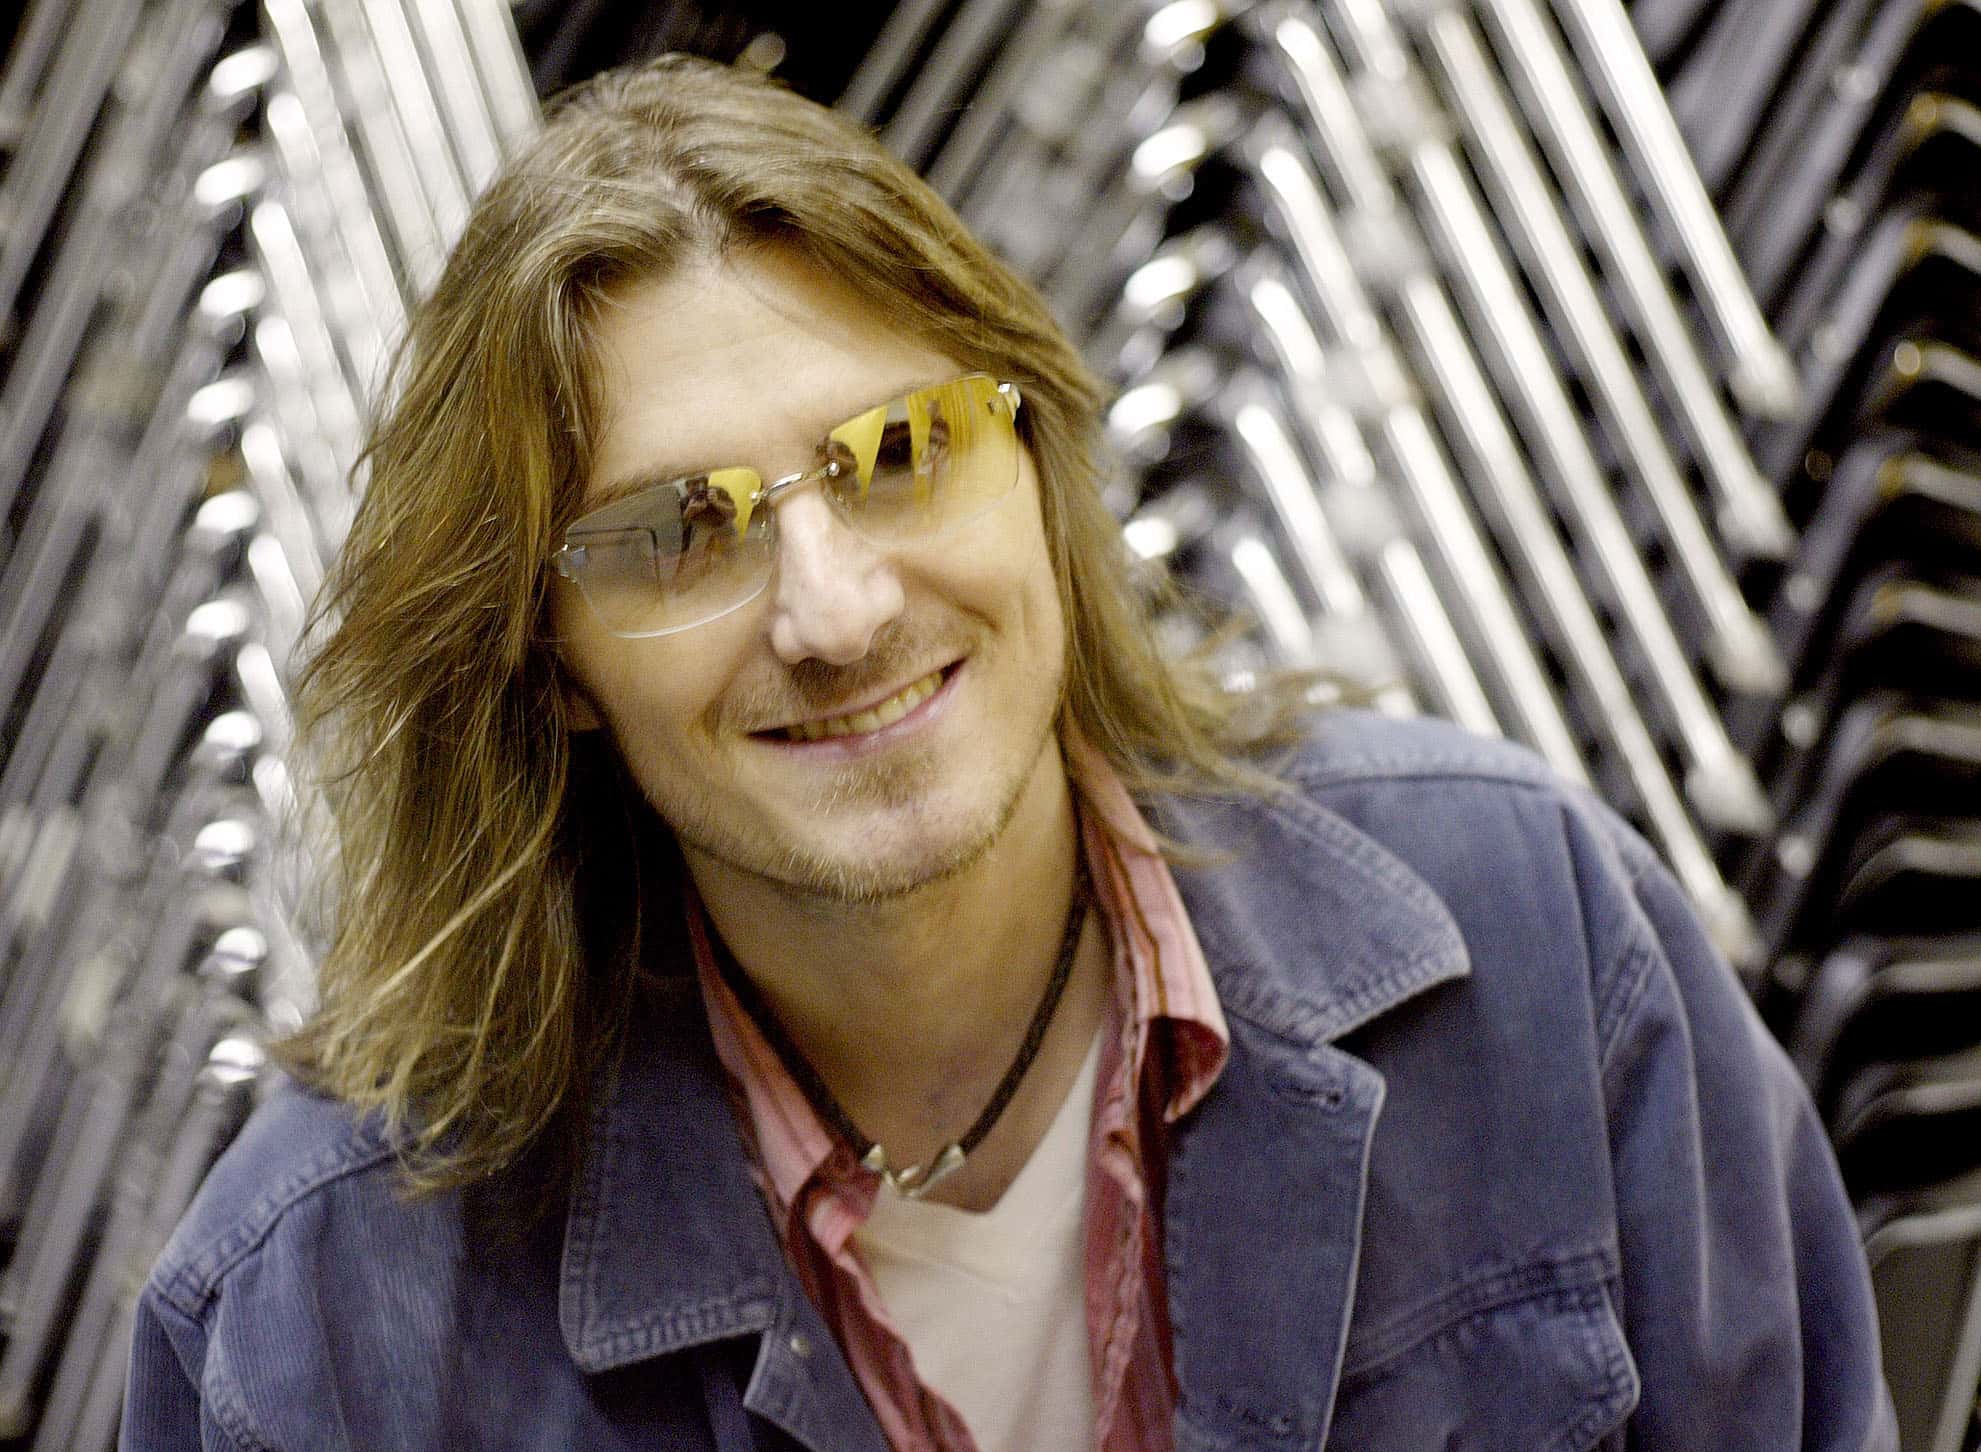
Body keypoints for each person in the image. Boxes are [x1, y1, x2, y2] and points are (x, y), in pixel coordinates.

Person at [122, 54, 1896, 1452]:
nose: (834, 611)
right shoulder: (320, 1310)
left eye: (902, 452)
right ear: (550, 662)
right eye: (679, 533)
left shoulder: (1534, 945)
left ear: (1038, 466)